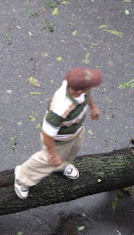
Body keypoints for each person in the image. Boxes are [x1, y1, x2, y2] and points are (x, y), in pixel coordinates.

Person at [14, 67, 103, 199]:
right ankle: (22, 178)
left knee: (72, 151)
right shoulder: (61, 108)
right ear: (79, 90)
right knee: (46, 161)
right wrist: (53, 154)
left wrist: (93, 107)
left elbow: (87, 94)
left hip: (75, 131)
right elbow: (47, 134)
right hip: (58, 141)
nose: (90, 89)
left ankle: (62, 165)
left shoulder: (79, 89)